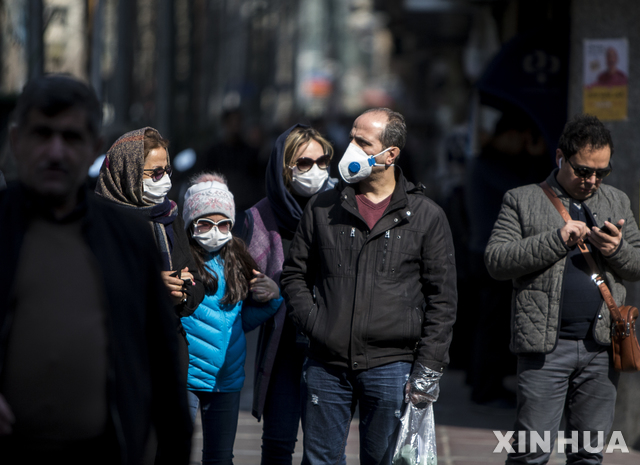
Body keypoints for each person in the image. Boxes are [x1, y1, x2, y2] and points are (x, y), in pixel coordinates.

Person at [0, 75, 192, 464]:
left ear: (94, 148)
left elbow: (161, 368)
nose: (56, 151)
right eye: (42, 134)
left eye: (71, 137)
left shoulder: (127, 239)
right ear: (17, 141)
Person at [280, 108, 458, 465]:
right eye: (351, 138)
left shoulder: (426, 216)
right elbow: (294, 275)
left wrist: (428, 367)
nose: (352, 149)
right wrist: (317, 325)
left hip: (392, 368)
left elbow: (443, 299)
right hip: (327, 366)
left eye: (363, 142)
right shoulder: (323, 208)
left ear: (391, 154)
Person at [485, 114, 640, 464]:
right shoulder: (522, 200)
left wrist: (616, 250)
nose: (592, 180)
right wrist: (557, 239)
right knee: (531, 452)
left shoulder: (617, 202)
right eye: (583, 171)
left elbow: (637, 266)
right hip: (544, 349)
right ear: (560, 158)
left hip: (602, 347)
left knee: (588, 454)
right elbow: (497, 261)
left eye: (602, 172)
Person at [239, 124, 336, 465]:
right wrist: (261, 290)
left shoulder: (340, 207)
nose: (316, 171)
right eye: (304, 163)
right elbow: (242, 291)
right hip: (284, 349)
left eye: (323, 161)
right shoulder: (261, 217)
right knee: (278, 444)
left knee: (323, 449)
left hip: (331, 348)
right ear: (284, 168)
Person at [181, 172, 283, 465]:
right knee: (176, 450)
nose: (215, 230)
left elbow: (239, 319)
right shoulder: (179, 260)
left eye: (223, 223)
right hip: (187, 377)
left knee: (220, 457)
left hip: (226, 380)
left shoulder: (238, 258)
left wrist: (273, 298)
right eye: (205, 223)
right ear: (190, 224)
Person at [95, 127, 205, 381]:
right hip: (119, 354)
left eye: (167, 170)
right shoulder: (102, 222)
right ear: (128, 172)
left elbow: (195, 278)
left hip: (168, 348)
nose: (165, 179)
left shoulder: (170, 215)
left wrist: (181, 292)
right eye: (155, 172)